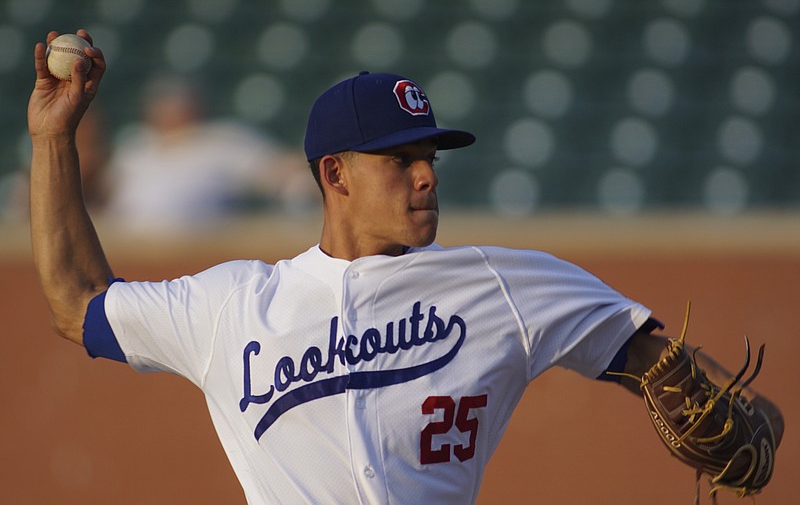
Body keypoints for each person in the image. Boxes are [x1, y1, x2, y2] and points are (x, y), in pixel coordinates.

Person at [28, 30, 783, 503]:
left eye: (429, 157)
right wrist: (54, 138)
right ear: (335, 174)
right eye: (400, 159)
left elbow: (654, 356)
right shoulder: (235, 303)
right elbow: (77, 300)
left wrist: (756, 421)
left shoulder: (503, 284)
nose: (426, 175)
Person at [104, 73, 314, 232]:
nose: (168, 112)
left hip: (197, 255)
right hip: (129, 251)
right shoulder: (134, 144)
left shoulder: (220, 140)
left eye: (175, 104)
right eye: (161, 104)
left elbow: (279, 170)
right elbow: (104, 193)